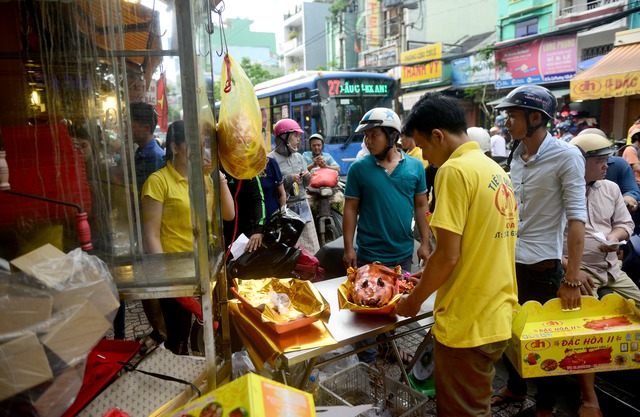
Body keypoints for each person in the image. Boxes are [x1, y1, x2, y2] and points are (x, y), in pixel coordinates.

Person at [395, 93, 518, 417]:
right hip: (496, 314)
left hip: (468, 323)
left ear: (438, 135)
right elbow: (470, 248)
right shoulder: (495, 172)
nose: (427, 158)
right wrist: (429, 270)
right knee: (474, 407)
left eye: (424, 146)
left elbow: (448, 256)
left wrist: (411, 302)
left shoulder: (454, 171)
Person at [491, 85, 586, 417]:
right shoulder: (517, 155)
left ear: (536, 118)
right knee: (508, 333)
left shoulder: (567, 156)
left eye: (513, 116)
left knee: (544, 344)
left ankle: (545, 408)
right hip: (509, 264)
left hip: (544, 271)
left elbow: (577, 219)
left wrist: (572, 278)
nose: (507, 122)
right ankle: (517, 389)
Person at [342, 107, 430, 364]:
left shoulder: (415, 167)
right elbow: (350, 208)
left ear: (392, 136)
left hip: (402, 254)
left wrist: (424, 243)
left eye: (374, 135)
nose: (368, 141)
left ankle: (388, 348)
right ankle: (367, 360)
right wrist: (349, 247)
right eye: (366, 136)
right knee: (366, 308)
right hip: (369, 254)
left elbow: (421, 206)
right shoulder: (359, 169)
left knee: (394, 306)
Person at [142, 120, 234, 354]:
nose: (199, 151)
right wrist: (163, 275)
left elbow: (228, 213)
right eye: (192, 144)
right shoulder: (158, 182)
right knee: (177, 335)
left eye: (202, 145)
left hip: (203, 267)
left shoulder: (203, 179)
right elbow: (151, 233)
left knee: (207, 329)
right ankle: (176, 380)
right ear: (175, 147)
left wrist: (217, 176)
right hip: (174, 272)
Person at [565, 133, 640, 417]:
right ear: (578, 162)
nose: (606, 166)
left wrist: (614, 237)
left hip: (611, 267)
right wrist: (567, 266)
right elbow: (545, 237)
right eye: (598, 161)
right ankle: (588, 396)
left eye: (606, 160)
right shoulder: (560, 190)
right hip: (580, 270)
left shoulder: (610, 188)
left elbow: (625, 223)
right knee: (585, 329)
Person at [268, 118, 320, 255]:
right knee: (289, 249)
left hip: (303, 206)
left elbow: (304, 185)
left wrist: (307, 177)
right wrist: (288, 179)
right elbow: (269, 188)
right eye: (295, 135)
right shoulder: (270, 160)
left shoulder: (299, 157)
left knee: (311, 247)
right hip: (285, 211)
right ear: (284, 138)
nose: (299, 139)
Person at [578, 128, 640, 213]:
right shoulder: (572, 167)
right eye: (598, 161)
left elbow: (632, 190)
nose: (605, 166)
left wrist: (627, 199)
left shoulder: (619, 166)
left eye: (604, 159)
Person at [223, 172, 266, 253]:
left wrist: (258, 229)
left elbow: (258, 200)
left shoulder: (247, 171)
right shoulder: (214, 171)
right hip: (221, 229)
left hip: (245, 230)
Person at [131, 102, 165, 194]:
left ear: (146, 128)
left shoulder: (155, 157)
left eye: (132, 126)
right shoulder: (140, 152)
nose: (127, 130)